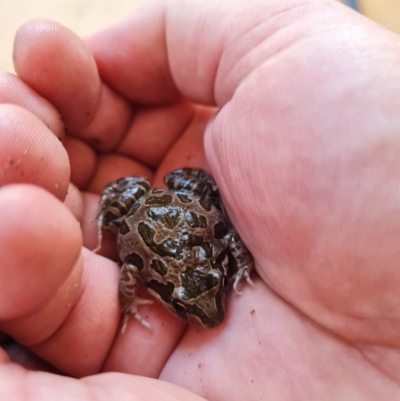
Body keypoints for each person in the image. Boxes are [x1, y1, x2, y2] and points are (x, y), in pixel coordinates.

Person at [1, 0, 399, 399]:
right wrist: (128, 299)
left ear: (210, 272)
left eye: (209, 287)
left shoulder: (200, 264)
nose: (212, 308)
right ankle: (108, 213)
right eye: (188, 303)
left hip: (174, 206)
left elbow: (151, 266)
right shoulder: (149, 269)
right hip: (145, 204)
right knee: (112, 202)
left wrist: (228, 267)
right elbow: (130, 275)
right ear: (167, 294)